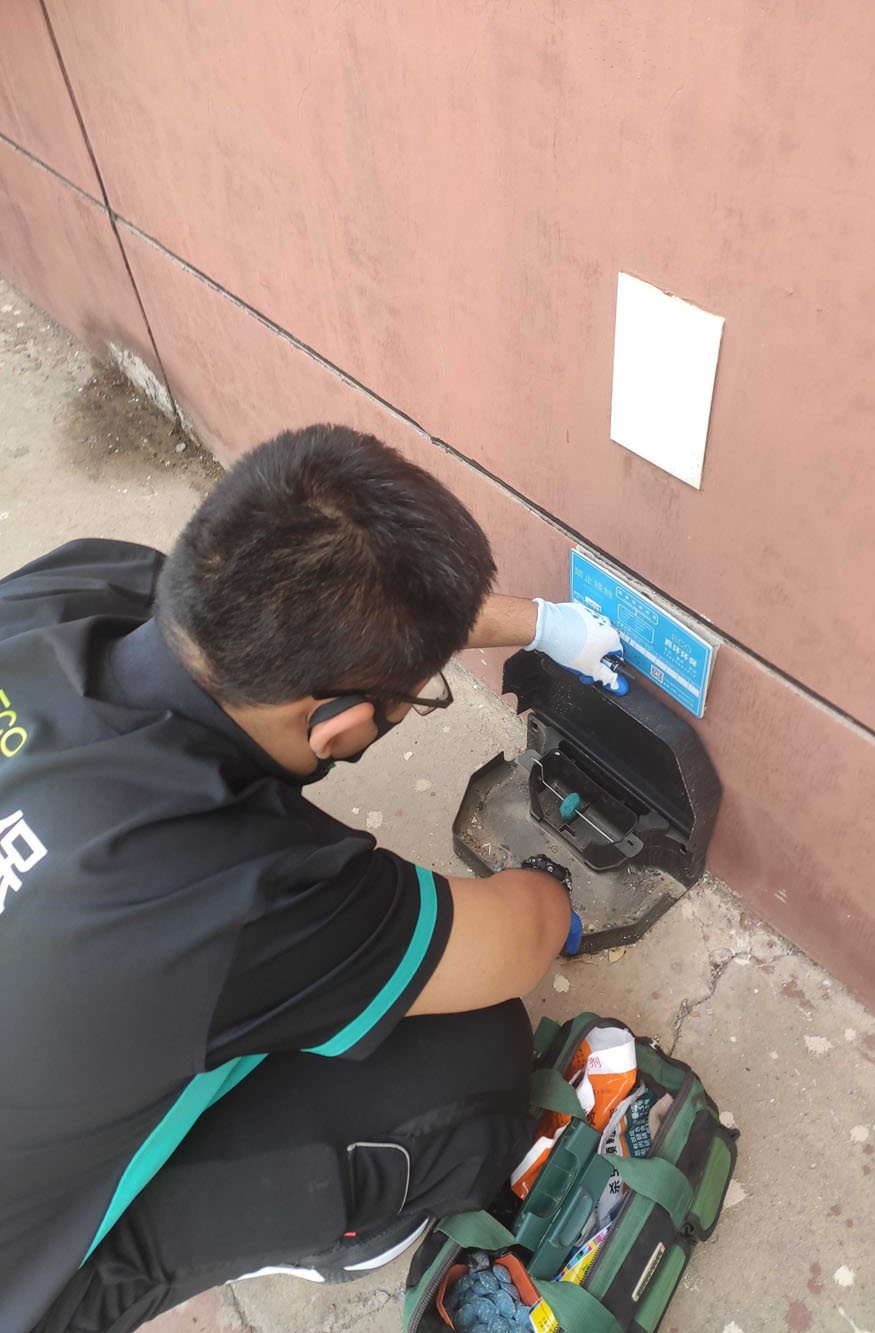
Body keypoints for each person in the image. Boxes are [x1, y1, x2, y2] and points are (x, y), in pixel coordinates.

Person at [0, 424, 623, 1333]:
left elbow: (338, 623)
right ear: (336, 726)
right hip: (28, 1274)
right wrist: (555, 890)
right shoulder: (239, 882)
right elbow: (519, 937)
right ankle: (321, 1229)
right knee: (475, 1062)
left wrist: (543, 625)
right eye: (416, 699)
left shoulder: (71, 591)